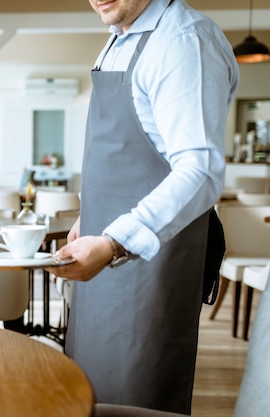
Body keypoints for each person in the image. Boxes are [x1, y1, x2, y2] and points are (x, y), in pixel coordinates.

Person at [45, 0, 239, 414]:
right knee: (92, 391)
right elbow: (121, 153)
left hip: (148, 264)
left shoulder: (184, 41)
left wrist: (114, 241)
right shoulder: (118, 40)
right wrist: (89, 212)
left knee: (139, 392)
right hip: (103, 249)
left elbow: (200, 171)